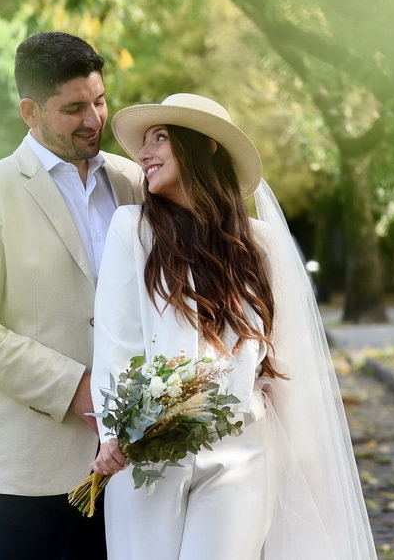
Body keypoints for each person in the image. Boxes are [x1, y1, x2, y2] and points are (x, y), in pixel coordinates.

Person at [89, 93, 377, 559]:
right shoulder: (133, 229)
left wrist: (312, 471)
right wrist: (111, 432)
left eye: (159, 138)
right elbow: (116, 342)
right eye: (143, 143)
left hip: (241, 449)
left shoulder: (260, 245)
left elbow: (286, 359)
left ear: (206, 148)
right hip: (147, 450)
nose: (143, 154)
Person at [0, 31, 143, 559]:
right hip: (31, 473)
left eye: (99, 100)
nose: (95, 119)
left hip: (141, 468)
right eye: (73, 108)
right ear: (30, 111)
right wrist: (77, 389)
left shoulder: (136, 183)